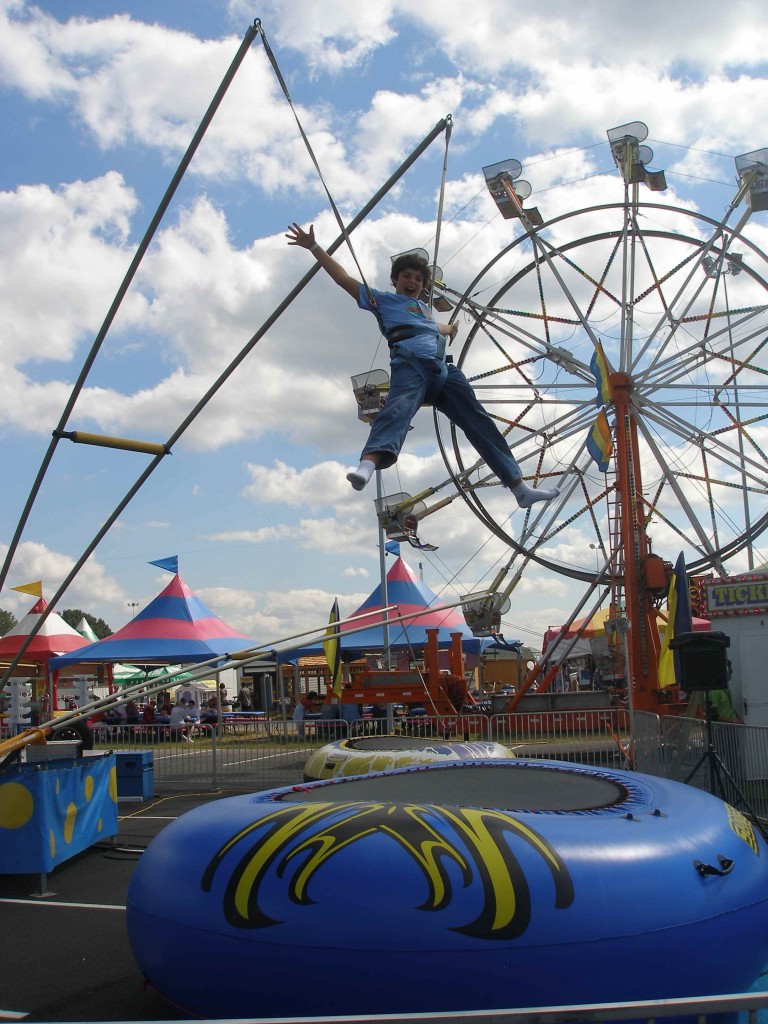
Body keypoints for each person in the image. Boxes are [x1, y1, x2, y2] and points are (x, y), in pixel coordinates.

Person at [286, 224, 561, 508]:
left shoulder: (426, 311)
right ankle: (366, 467)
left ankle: (518, 487)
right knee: (397, 412)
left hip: (443, 372)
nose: (412, 281)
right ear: (395, 280)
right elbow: (343, 279)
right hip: (411, 366)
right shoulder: (383, 300)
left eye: (418, 279)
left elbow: (435, 327)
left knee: (479, 421)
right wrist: (315, 248)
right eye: (406, 276)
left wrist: (450, 329)